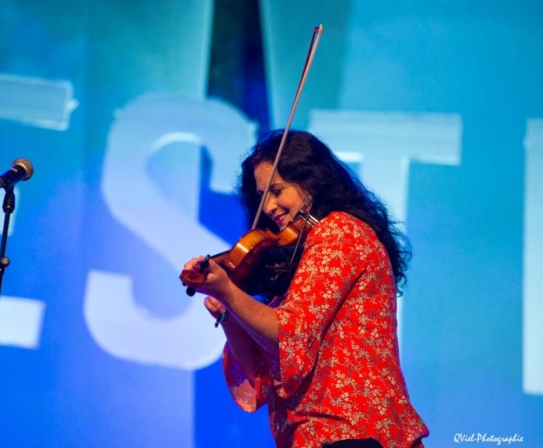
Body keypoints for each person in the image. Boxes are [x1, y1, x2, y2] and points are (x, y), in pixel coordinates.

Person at [183, 130, 429, 448]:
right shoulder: (294, 267)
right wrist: (230, 311)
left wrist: (230, 293)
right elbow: (261, 374)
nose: (269, 206)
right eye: (261, 196)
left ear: (311, 180)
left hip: (354, 433)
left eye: (277, 190)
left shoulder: (340, 233)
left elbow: (290, 336)